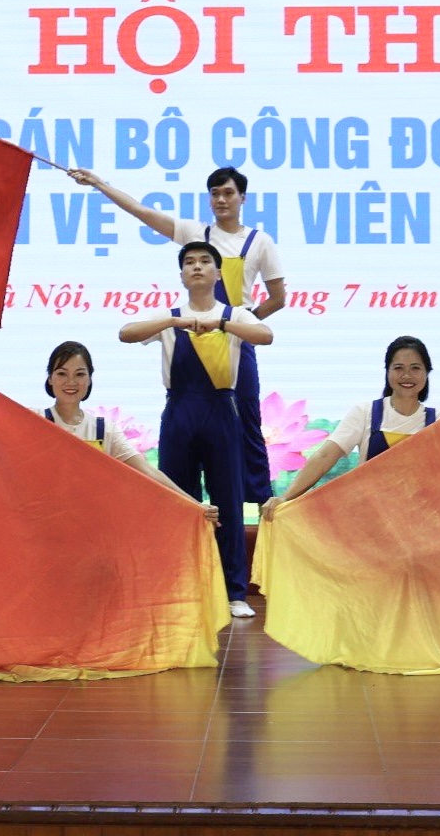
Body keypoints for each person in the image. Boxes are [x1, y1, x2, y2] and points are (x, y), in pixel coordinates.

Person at [72, 166, 285, 506]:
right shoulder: (196, 233)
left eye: (228, 193)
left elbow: (278, 298)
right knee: (185, 423)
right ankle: (186, 507)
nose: (221, 200)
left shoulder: (260, 241)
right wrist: (98, 183)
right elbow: (140, 211)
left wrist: (237, 321)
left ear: (242, 198)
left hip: (233, 338)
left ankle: (261, 505)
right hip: (191, 335)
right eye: (215, 194)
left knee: (248, 420)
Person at [119, 242, 273, 618]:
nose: (197, 267)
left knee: (228, 502)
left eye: (205, 261)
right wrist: (173, 323)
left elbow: (265, 335)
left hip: (222, 412)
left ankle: (234, 593)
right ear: (182, 275)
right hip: (180, 413)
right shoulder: (170, 317)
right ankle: (180, 589)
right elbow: (126, 333)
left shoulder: (234, 314)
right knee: (179, 504)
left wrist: (221, 325)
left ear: (218, 273)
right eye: (190, 262)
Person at [41, 341, 218, 523]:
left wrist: (195, 504)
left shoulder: (104, 430)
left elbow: (147, 471)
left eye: (79, 374)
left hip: (91, 524)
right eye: (62, 373)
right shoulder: (36, 420)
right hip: (44, 523)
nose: (70, 382)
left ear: (90, 379)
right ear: (50, 378)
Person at [263, 336, 436, 513]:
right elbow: (324, 456)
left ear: (427, 372)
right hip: (372, 515)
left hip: (425, 516)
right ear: (387, 371)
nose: (407, 375)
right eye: (398, 368)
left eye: (415, 368)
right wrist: (285, 497)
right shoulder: (365, 412)